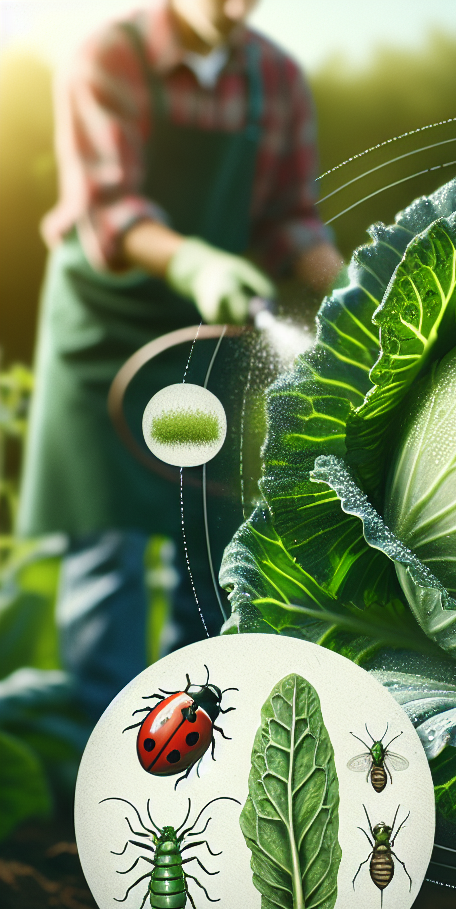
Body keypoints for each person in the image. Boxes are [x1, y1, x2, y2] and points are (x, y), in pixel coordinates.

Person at [17, 0, 343, 720]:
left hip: (209, 333)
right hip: (106, 331)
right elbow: (109, 206)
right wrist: (191, 257)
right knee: (110, 543)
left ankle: (191, 738)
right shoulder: (110, 56)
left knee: (210, 543)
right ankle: (95, 749)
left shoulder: (276, 78)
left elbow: (290, 215)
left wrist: (352, 288)